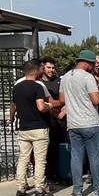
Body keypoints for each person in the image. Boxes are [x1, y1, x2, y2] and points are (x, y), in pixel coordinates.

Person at [56, 50, 99, 196]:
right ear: (87, 62)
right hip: (90, 122)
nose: (94, 66)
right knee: (94, 157)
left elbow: (61, 99)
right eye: (93, 64)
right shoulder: (88, 77)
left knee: (76, 157)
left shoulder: (65, 77)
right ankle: (98, 189)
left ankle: (77, 190)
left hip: (73, 123)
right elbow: (96, 100)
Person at [10, 59, 55, 196]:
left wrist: (10, 119)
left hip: (24, 128)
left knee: (23, 158)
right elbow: (41, 106)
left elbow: (13, 106)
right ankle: (39, 188)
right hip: (38, 127)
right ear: (36, 71)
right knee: (40, 159)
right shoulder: (37, 87)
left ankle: (20, 188)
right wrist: (49, 106)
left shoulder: (17, 87)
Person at [39, 57, 65, 185]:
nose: (51, 70)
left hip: (58, 121)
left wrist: (64, 109)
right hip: (43, 120)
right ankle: (47, 176)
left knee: (57, 149)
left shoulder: (59, 81)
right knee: (45, 150)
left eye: (53, 68)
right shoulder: (38, 83)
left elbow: (65, 99)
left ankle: (59, 174)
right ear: (43, 67)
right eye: (49, 67)